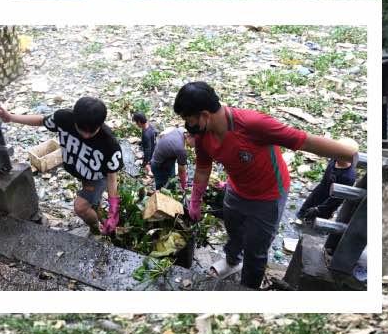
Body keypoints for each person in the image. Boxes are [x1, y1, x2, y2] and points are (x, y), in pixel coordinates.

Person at [173, 81, 357, 289]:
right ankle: (232, 262)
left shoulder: (252, 124)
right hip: (236, 189)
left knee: (257, 249)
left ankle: (248, 287)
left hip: (268, 197)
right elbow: (203, 168)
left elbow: (304, 141)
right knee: (233, 231)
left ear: (204, 115)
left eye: (189, 120)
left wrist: (355, 157)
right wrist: (195, 200)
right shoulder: (203, 134)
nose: (188, 126)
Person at [0, 97, 123, 235]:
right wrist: (10, 117)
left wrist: (113, 211)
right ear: (75, 119)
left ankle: (96, 228)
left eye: (91, 132)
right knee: (90, 196)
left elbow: (112, 177)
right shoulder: (64, 118)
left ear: (100, 124)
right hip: (81, 171)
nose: (86, 135)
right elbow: (41, 120)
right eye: (82, 130)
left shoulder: (109, 144)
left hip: (97, 178)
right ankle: (96, 206)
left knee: (80, 207)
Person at [297, 137, 360, 222]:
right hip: (319, 191)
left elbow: (336, 200)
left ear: (345, 156)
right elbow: (324, 182)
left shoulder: (348, 177)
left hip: (327, 204)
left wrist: (318, 209)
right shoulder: (334, 160)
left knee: (315, 222)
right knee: (302, 212)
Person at [149, 126, 192, 192]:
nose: (195, 146)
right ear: (189, 136)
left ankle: (172, 188)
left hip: (166, 159)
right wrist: (184, 185)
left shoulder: (181, 130)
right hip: (159, 167)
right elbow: (181, 170)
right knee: (162, 190)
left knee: (172, 181)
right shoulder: (180, 149)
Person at [133, 111, 157, 178]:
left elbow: (147, 150)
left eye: (136, 122)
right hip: (154, 148)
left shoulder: (146, 134)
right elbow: (155, 133)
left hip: (151, 154)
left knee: (147, 167)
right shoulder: (150, 126)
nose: (136, 124)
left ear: (139, 122)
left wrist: (145, 162)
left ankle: (150, 172)